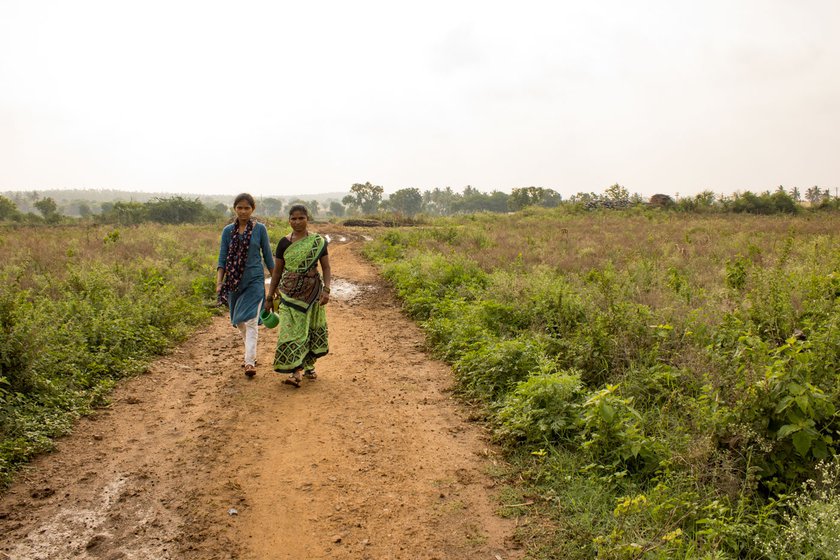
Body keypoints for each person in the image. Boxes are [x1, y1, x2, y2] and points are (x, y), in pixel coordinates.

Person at [265, 204, 331, 387]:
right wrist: (270, 297)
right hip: (288, 294)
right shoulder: (284, 243)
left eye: (301, 218)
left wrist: (326, 290)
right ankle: (296, 372)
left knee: (308, 330)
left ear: (307, 219)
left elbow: (326, 267)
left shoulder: (318, 242)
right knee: (289, 332)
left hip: (312, 294)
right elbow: (277, 272)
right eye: (293, 218)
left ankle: (308, 366)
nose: (297, 221)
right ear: (289, 221)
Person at [216, 193, 275, 378]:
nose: (243, 211)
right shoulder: (227, 231)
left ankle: (249, 361)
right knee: (239, 321)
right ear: (235, 209)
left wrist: (275, 284)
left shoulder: (260, 230)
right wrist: (219, 282)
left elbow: (268, 256)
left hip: (254, 280)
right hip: (234, 283)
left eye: (247, 208)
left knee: (250, 320)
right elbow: (222, 258)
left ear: (253, 209)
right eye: (240, 207)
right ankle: (250, 353)